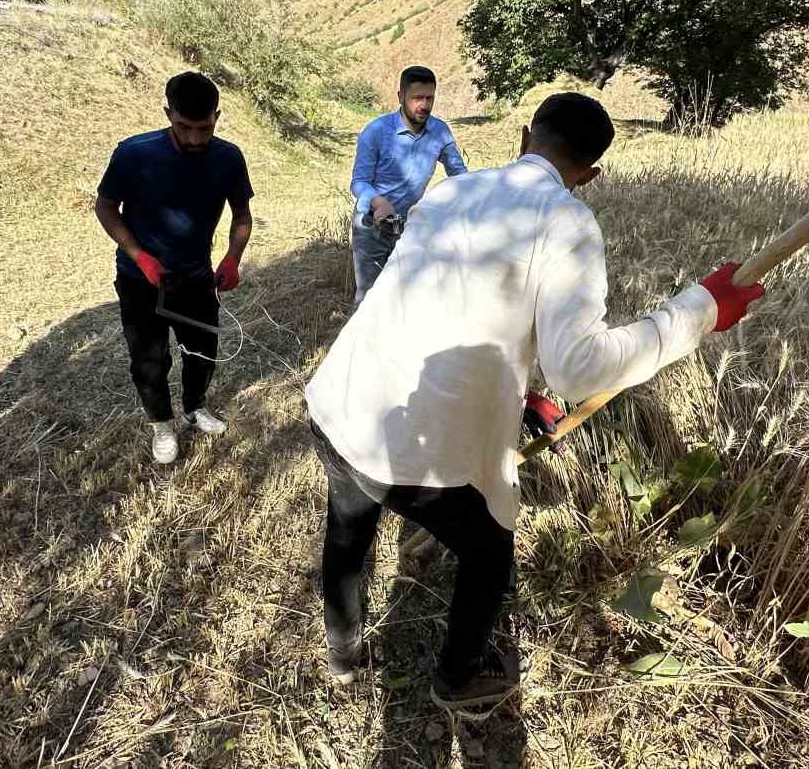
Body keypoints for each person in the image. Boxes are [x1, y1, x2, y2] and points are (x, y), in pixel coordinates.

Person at [303, 93, 767, 709]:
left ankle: (342, 653)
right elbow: (580, 368)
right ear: (591, 176)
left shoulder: (450, 193)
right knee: (489, 556)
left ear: (524, 136)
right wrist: (700, 310)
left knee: (348, 526)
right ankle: (456, 680)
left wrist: (520, 398)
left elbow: (452, 312)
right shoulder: (567, 222)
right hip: (415, 449)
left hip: (343, 399)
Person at [94, 72, 253, 465]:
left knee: (202, 352)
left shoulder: (229, 157)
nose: (196, 138)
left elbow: (242, 215)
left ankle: (195, 406)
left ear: (217, 116)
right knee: (149, 360)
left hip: (196, 277)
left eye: (205, 128)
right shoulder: (135, 153)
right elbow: (105, 207)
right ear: (168, 114)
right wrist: (139, 254)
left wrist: (233, 257)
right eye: (184, 127)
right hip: (141, 280)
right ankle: (162, 425)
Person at [348, 65, 468, 309]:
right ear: (400, 96)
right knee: (368, 300)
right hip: (372, 226)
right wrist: (379, 202)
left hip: (410, 227)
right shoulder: (376, 132)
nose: (424, 105)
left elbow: (460, 176)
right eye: (417, 98)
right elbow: (359, 182)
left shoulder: (440, 132)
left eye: (429, 98)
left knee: (408, 297)